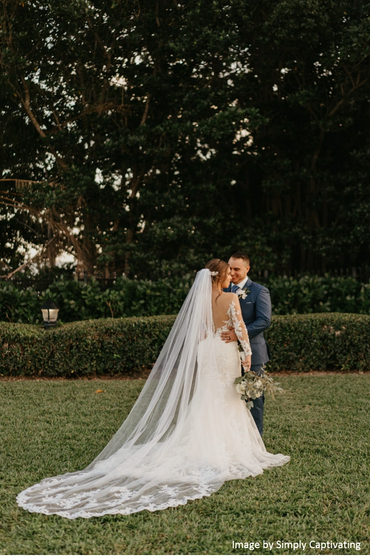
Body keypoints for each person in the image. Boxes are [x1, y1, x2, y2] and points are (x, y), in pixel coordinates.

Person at [17, 259, 289, 519]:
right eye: (228, 273)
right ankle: (229, 447)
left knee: (207, 394)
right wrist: (247, 359)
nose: (231, 276)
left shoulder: (201, 301)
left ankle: (200, 440)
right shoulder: (230, 299)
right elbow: (241, 330)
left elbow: (200, 332)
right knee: (227, 396)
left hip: (206, 350)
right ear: (220, 277)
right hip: (225, 351)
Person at [221, 252, 271, 436]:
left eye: (236, 269)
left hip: (254, 354)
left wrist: (239, 335)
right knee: (229, 396)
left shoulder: (259, 291)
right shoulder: (223, 289)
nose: (232, 272)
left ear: (247, 269)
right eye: (230, 268)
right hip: (226, 354)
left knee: (253, 397)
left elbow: (264, 320)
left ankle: (256, 438)